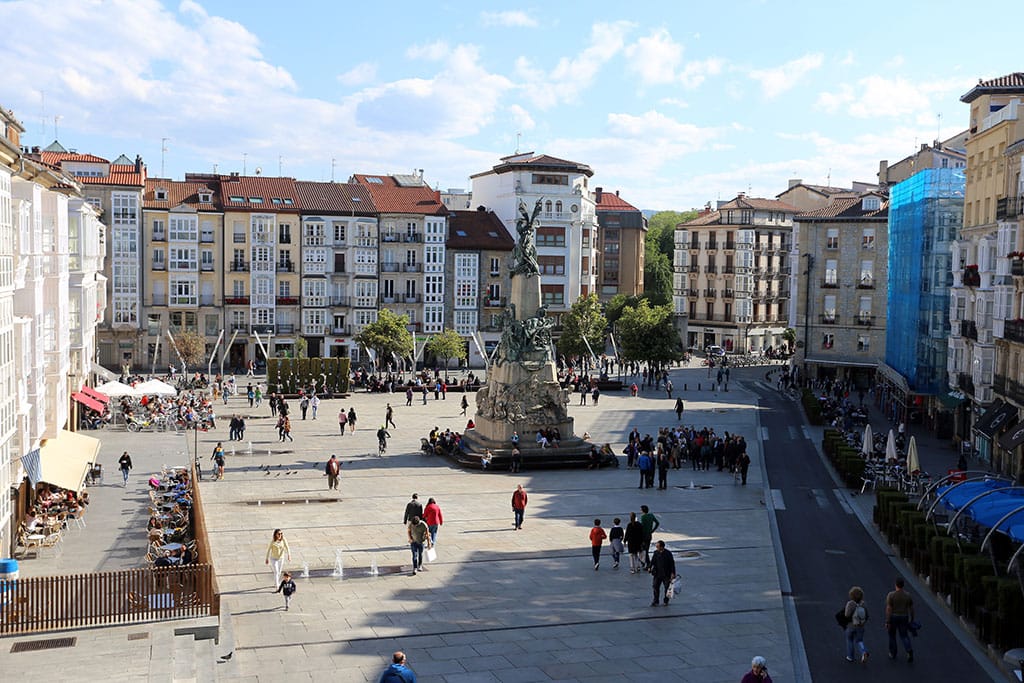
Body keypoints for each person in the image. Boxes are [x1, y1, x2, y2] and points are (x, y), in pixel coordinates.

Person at [884, 576, 915, 662]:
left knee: (892, 635)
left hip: (894, 617)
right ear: (903, 585)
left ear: (896, 585)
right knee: (904, 635)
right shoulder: (908, 595)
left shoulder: (891, 595)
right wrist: (912, 619)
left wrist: (887, 621)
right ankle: (909, 650)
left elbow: (889, 609)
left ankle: (893, 653)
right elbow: (911, 609)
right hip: (904, 617)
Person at [843, 585, 870, 664]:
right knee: (859, 640)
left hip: (851, 626)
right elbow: (867, 615)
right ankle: (863, 651)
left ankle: (850, 656)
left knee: (849, 639)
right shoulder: (863, 604)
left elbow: (847, 615)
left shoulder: (850, 603)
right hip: (860, 626)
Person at [649, 540, 676, 606]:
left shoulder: (668, 553)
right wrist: (649, 567)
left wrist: (673, 573)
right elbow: (653, 561)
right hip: (657, 573)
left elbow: (672, 564)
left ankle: (666, 601)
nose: (656, 548)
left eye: (657, 546)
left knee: (667, 588)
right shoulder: (656, 553)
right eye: (656, 546)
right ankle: (656, 600)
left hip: (666, 574)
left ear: (662, 547)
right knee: (655, 587)